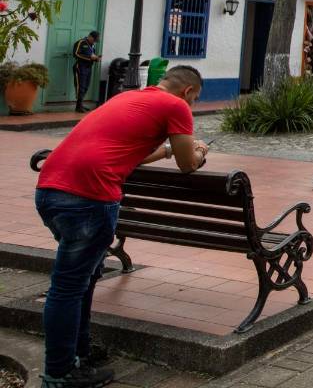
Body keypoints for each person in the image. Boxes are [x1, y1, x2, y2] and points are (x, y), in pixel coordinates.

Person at [35, 67, 208, 388]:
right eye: (195, 99)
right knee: (68, 286)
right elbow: (188, 165)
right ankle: (59, 374)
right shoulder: (177, 106)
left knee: (83, 277)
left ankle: (79, 354)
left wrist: (167, 149)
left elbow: (129, 153)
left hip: (50, 190)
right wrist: (198, 151)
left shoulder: (127, 98)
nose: (193, 105)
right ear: (187, 92)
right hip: (89, 197)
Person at [71, 31, 102, 113]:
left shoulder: (92, 45)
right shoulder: (81, 42)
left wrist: (96, 58)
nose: (94, 42)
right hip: (80, 67)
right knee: (80, 87)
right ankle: (78, 106)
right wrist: (90, 57)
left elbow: (92, 56)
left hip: (88, 68)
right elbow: (76, 54)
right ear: (90, 36)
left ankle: (80, 104)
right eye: (94, 40)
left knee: (86, 86)